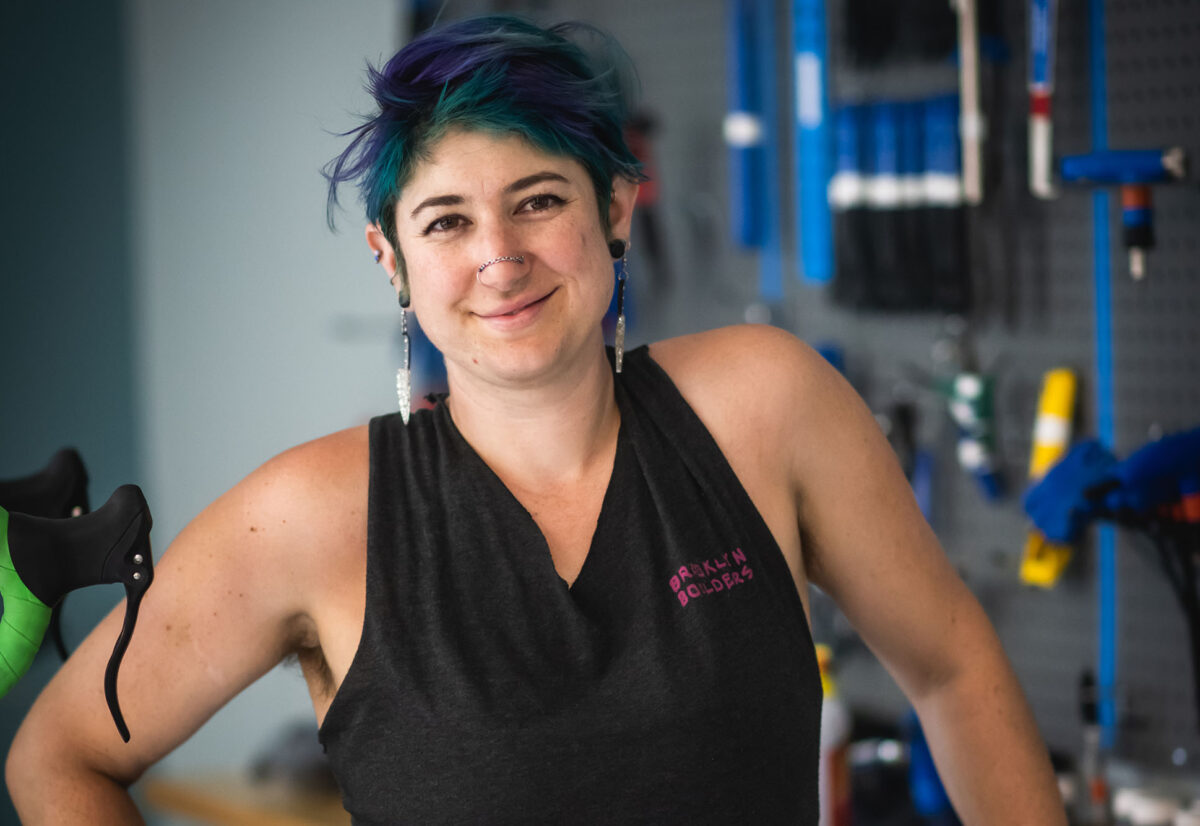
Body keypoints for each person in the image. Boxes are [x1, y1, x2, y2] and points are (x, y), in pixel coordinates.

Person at [6, 15, 1067, 825]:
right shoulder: (309, 518)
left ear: (614, 206)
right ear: (392, 257)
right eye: (447, 220)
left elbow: (953, 662)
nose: (499, 258)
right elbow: (57, 755)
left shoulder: (766, 405)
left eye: (539, 200)